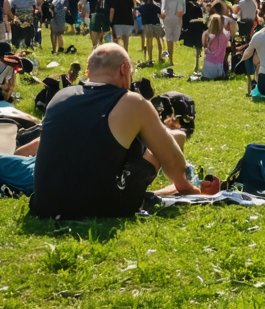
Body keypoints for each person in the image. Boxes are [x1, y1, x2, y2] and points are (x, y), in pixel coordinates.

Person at [30, 44, 199, 219]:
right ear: (124, 69)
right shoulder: (133, 102)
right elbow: (172, 161)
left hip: (45, 206)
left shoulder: (60, 96)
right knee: (163, 145)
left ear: (88, 71)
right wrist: (190, 189)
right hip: (100, 209)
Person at [160, 0, 186, 64]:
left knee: (169, 39)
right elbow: (183, 11)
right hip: (176, 19)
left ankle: (170, 58)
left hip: (167, 18)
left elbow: (162, 11)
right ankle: (170, 58)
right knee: (172, 38)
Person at [202, 14, 231, 80]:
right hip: (219, 65)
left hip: (208, 64)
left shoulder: (207, 35)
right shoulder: (225, 36)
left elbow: (205, 47)